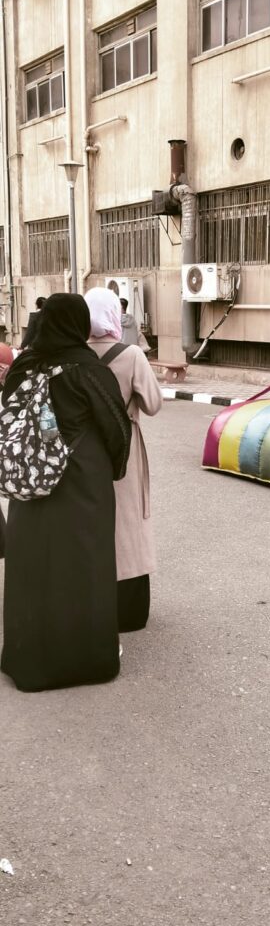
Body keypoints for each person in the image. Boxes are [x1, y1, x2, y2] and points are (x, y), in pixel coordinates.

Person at [1, 293, 132, 693]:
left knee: (32, 567)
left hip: (31, 484)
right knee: (84, 565)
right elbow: (117, 428)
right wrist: (112, 469)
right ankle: (85, 658)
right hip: (82, 483)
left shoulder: (23, 366)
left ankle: (29, 659)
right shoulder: (88, 370)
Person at [85, 287, 162, 632]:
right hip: (124, 448)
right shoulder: (130, 355)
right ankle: (128, 610)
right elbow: (153, 404)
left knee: (93, 520)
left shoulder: (76, 353)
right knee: (129, 522)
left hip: (86, 449)